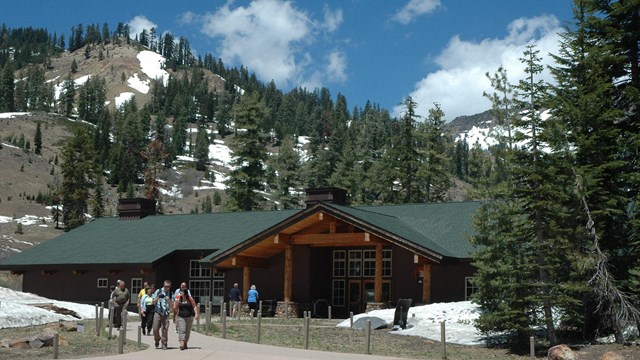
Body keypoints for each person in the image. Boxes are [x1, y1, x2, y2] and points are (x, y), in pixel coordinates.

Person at [152, 280, 173, 350]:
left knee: (165, 329)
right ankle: (157, 339)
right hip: (157, 312)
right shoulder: (158, 291)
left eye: (168, 286)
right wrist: (158, 298)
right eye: (165, 286)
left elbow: (171, 305)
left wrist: (168, 300)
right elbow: (153, 302)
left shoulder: (170, 293)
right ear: (163, 285)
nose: (167, 288)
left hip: (165, 313)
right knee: (155, 328)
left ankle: (164, 343)